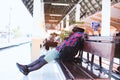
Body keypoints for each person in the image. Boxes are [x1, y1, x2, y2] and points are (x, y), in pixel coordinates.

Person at [16, 26, 85, 76]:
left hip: (59, 52)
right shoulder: (73, 35)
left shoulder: (78, 34)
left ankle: (28, 70)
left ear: (78, 30)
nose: (73, 29)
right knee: (41, 58)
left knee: (43, 61)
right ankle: (26, 66)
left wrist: (81, 34)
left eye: (75, 28)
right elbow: (65, 39)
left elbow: (83, 34)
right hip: (58, 49)